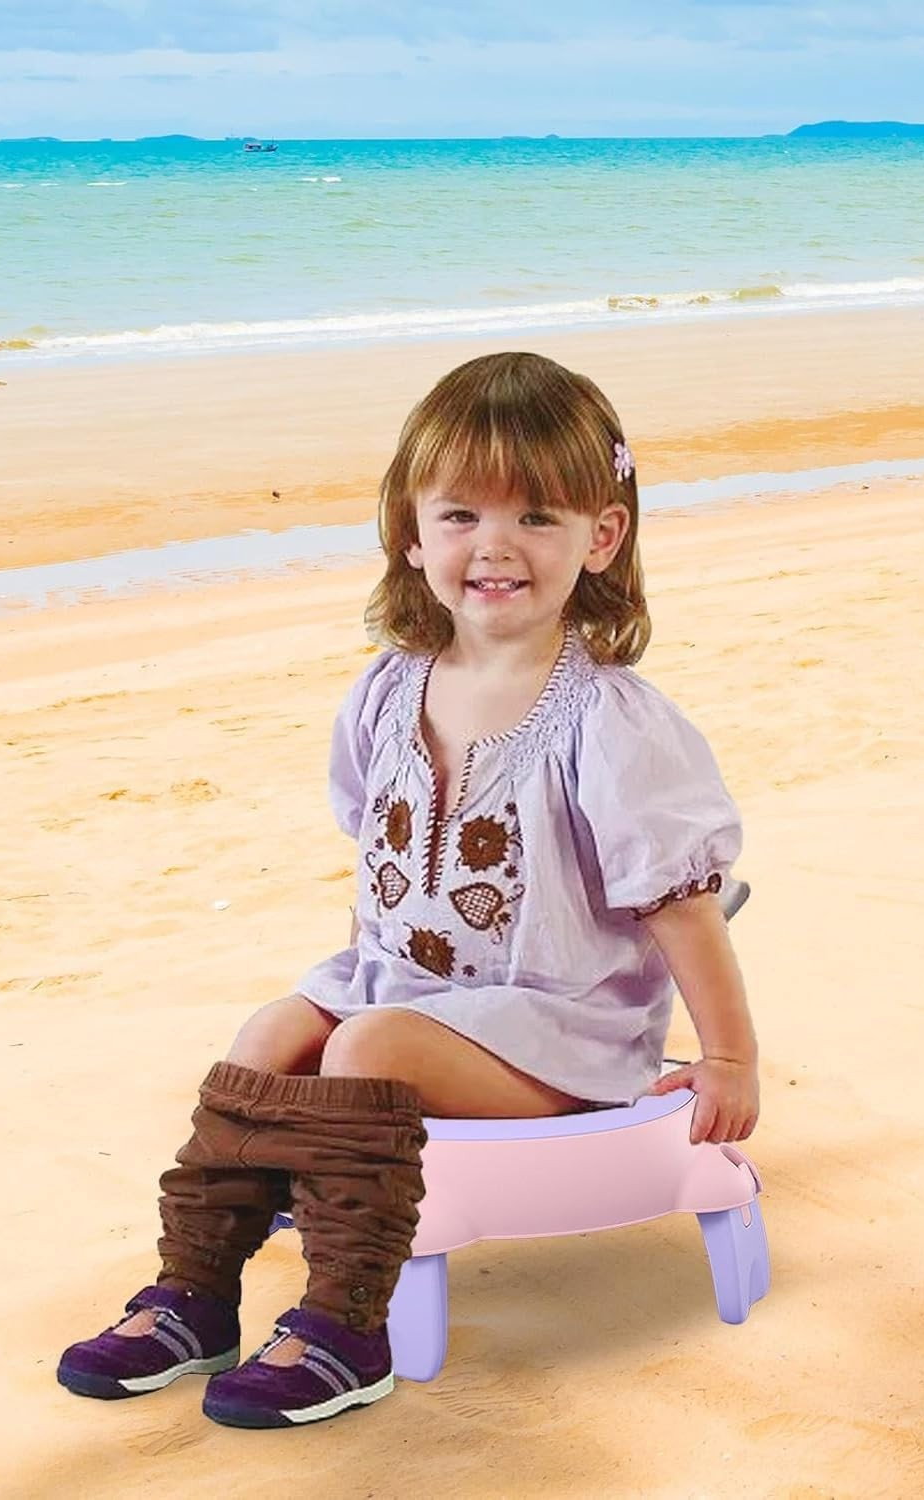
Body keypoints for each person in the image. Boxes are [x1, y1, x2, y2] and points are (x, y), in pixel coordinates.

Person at [57, 350, 758, 1429]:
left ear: (602, 535)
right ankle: (195, 1291)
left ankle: (347, 1323)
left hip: (558, 1031)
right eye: (461, 514)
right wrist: (350, 980)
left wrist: (728, 1057)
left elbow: (681, 903)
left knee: (366, 1048)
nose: (495, 545)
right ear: (412, 533)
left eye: (536, 516)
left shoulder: (609, 723)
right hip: (409, 992)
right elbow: (373, 870)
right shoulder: (389, 691)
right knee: (275, 1030)